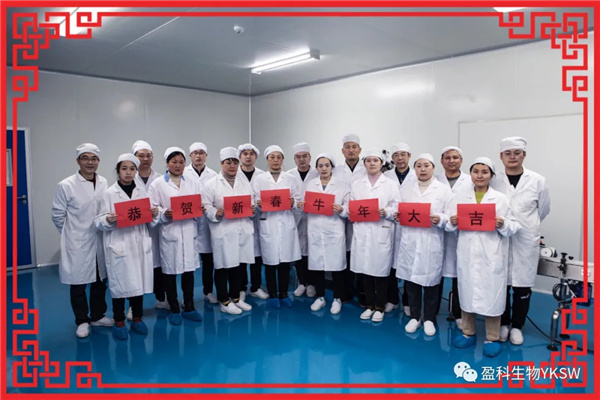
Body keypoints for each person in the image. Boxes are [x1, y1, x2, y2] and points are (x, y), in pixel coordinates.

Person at [448, 157, 520, 358]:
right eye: (475, 171)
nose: (479, 176)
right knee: (468, 291)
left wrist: (503, 224)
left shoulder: (500, 199)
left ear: (491, 175)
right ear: (470, 174)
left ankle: (492, 337)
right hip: (468, 253)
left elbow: (514, 225)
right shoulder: (460, 197)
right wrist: (452, 221)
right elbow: (447, 222)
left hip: (491, 254)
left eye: (484, 172)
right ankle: (468, 332)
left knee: (492, 294)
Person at [491, 137, 551, 346]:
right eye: (508, 153)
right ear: (501, 156)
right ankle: (503, 323)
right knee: (501, 282)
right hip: (499, 238)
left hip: (525, 239)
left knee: (522, 286)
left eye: (517, 153)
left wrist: (527, 225)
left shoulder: (537, 180)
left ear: (524, 155)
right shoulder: (494, 180)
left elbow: (543, 209)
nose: (512, 157)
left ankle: (517, 326)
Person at [51, 143, 113, 338]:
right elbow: (57, 215)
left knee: (100, 281)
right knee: (78, 283)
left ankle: (97, 316)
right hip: (77, 241)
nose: (90, 162)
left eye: (94, 158)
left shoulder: (103, 182)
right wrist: (71, 234)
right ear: (78, 161)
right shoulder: (66, 185)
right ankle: (82, 320)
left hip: (100, 238)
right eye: (85, 158)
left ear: (98, 161)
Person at [95, 153, 159, 340]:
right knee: (119, 285)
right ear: (118, 171)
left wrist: (154, 214)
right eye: (124, 169)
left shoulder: (142, 192)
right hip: (119, 244)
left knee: (138, 284)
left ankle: (137, 318)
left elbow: (150, 222)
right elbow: (98, 221)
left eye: (132, 169)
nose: (128, 172)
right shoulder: (109, 193)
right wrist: (107, 219)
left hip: (139, 244)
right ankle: (119, 321)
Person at [394, 154, 451, 336]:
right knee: (411, 283)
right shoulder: (406, 189)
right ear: (415, 168)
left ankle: (429, 319)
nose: (423, 169)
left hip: (431, 241)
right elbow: (398, 208)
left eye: (426, 165)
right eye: (419, 166)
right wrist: (396, 215)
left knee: (431, 284)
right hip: (410, 241)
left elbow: (451, 215)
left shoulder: (443, 190)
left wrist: (440, 219)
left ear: (433, 167)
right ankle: (415, 316)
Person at [148, 147, 202, 325]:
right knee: (170, 273)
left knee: (189, 272)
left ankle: (189, 306)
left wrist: (199, 209)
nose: (178, 165)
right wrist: (164, 213)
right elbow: (152, 209)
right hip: (170, 233)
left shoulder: (192, 182)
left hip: (189, 232)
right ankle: (174, 308)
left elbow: (198, 203)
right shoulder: (157, 184)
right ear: (167, 163)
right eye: (174, 162)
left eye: (181, 162)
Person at [349, 149, 401, 322]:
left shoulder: (391, 184)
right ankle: (369, 305)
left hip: (381, 228)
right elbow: (352, 204)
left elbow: (397, 206)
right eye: (368, 160)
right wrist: (350, 212)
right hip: (363, 230)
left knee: (381, 271)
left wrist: (386, 211)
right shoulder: (357, 184)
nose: (372, 163)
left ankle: (380, 306)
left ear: (381, 163)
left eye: (375, 160)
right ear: (364, 163)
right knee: (365, 270)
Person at [203, 147, 256, 315]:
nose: (232, 166)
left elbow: (251, 200)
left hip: (242, 229)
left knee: (239, 266)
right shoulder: (212, 183)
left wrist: (252, 208)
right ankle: (224, 301)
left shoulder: (244, 182)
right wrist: (215, 213)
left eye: (235, 162)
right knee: (223, 267)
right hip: (223, 230)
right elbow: (206, 206)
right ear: (221, 164)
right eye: (228, 162)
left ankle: (235, 298)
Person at [298, 153, 350, 314]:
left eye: (327, 165)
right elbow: (305, 206)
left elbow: (349, 208)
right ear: (317, 168)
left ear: (332, 167)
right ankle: (320, 297)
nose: (324, 168)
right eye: (320, 166)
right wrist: (302, 205)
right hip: (315, 230)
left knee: (337, 267)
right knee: (317, 265)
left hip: (334, 230)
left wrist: (341, 209)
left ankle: (337, 298)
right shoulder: (311, 185)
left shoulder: (342, 186)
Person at [252, 145, 302, 308]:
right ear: (267, 159)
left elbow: (299, 202)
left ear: (282, 160)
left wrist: (294, 202)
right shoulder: (259, 179)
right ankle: (272, 294)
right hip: (268, 223)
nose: (275, 160)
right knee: (270, 262)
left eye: (278, 157)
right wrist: (258, 204)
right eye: (272, 157)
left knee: (284, 263)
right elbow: (253, 201)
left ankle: (283, 294)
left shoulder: (290, 179)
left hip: (286, 222)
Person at [435, 146, 472, 327]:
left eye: (455, 157)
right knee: (436, 272)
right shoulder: (435, 180)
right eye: (447, 158)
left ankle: (458, 313)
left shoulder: (470, 180)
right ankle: (432, 311)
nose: (451, 161)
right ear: (441, 161)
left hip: (461, 233)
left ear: (461, 160)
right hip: (437, 232)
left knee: (460, 274)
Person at [131, 140, 167, 318]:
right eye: (141, 156)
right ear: (134, 158)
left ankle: (161, 299)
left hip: (156, 230)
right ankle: (133, 307)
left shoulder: (160, 179)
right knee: (135, 270)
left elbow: (165, 203)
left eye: (148, 155)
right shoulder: (128, 179)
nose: (145, 159)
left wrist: (158, 212)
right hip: (135, 232)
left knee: (158, 268)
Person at [333, 134, 367, 306]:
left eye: (354, 147)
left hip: (362, 219)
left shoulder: (367, 168)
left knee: (360, 254)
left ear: (360, 150)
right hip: (339, 218)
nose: (351, 150)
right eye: (347, 147)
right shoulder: (336, 170)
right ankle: (344, 292)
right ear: (342, 151)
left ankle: (362, 292)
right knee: (343, 255)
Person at [383, 142, 417, 316]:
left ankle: (408, 301)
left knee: (408, 264)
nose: (400, 158)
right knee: (390, 265)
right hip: (390, 225)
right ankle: (392, 299)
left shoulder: (417, 175)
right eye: (396, 155)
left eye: (403, 154)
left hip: (410, 226)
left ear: (409, 156)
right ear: (392, 158)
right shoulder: (386, 176)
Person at [183, 142, 218, 305]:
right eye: (195, 153)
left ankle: (208, 291)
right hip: (187, 222)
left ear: (206, 156)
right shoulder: (183, 173)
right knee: (186, 263)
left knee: (209, 261)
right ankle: (186, 297)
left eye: (201, 153)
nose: (198, 156)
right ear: (190, 156)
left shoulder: (213, 175)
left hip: (207, 222)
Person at [237, 143, 269, 300]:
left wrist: (259, 204)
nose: (248, 157)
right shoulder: (233, 174)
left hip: (258, 220)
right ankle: (241, 288)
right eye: (245, 154)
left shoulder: (263, 176)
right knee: (242, 255)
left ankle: (255, 287)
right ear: (240, 157)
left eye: (251, 154)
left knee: (257, 256)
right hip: (240, 221)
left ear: (256, 157)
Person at [287, 142, 319, 298]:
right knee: (298, 250)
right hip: (296, 216)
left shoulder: (317, 173)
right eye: (298, 157)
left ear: (310, 157)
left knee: (313, 250)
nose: (301, 160)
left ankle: (312, 283)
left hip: (314, 217)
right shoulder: (288, 175)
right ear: (294, 159)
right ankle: (302, 282)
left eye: (304, 156)